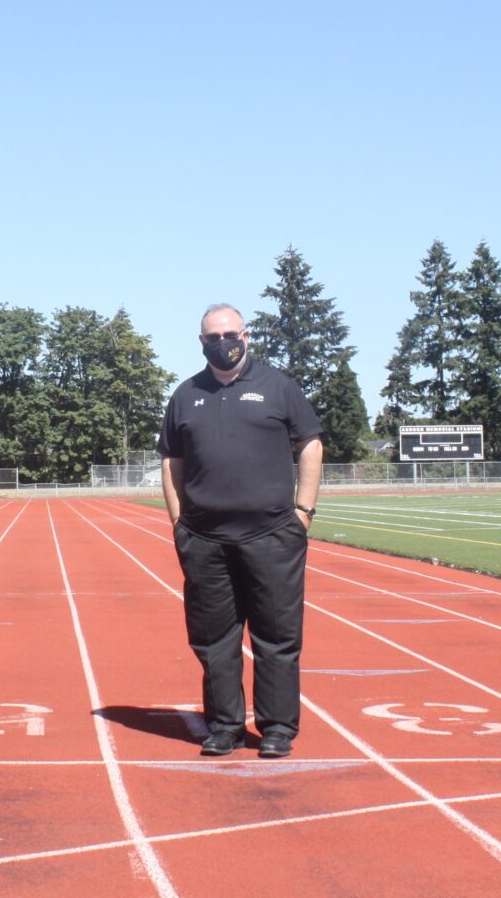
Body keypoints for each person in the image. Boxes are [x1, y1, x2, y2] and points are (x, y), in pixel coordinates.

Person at [157, 303, 323, 759]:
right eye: (214, 337)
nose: (223, 342)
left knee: (277, 637)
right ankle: (225, 726)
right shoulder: (186, 394)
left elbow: (310, 443)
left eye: (231, 334)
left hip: (272, 535)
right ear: (202, 342)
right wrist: (178, 522)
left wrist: (303, 511)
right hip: (205, 539)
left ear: (246, 337)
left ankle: (276, 729)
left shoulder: (278, 386)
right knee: (214, 640)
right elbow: (171, 462)